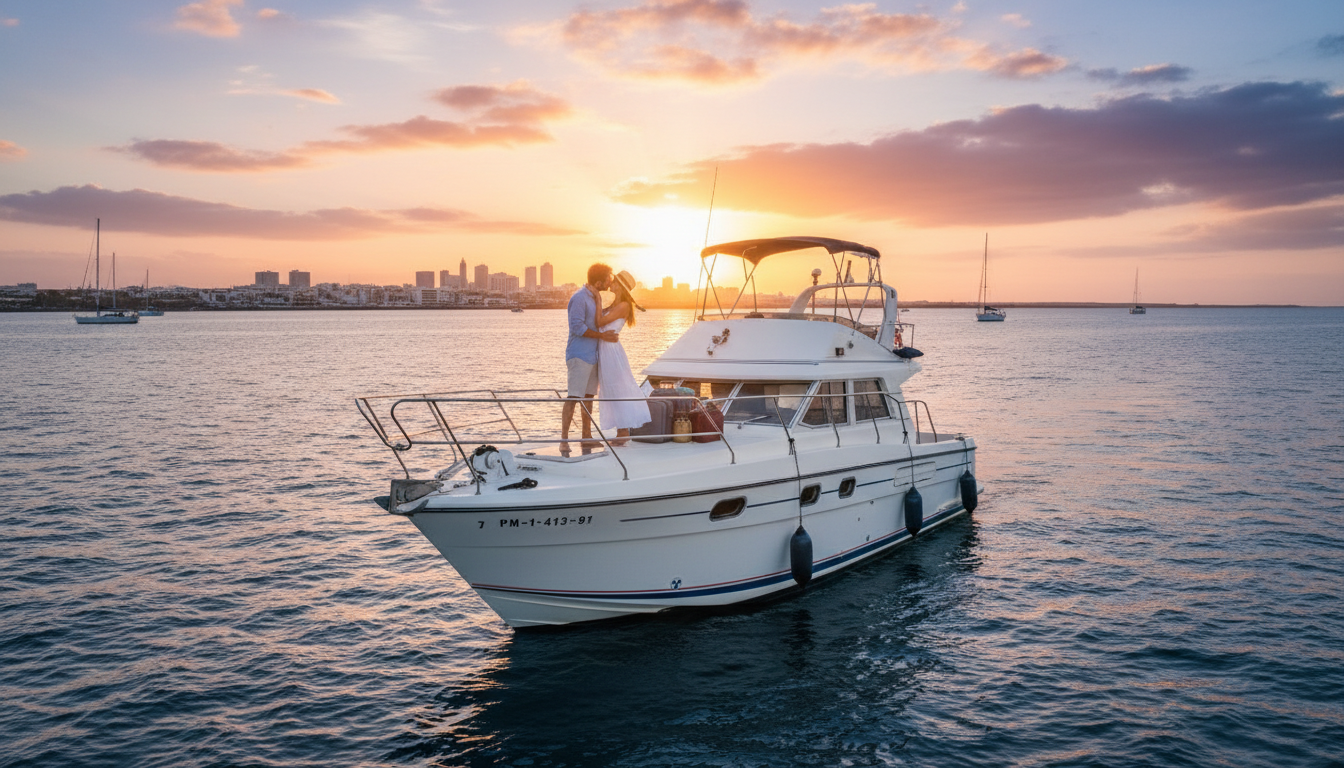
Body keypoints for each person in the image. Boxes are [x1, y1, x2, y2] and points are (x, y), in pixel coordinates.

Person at [562, 263, 618, 451]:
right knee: (573, 397)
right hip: (578, 355)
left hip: (593, 356)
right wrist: (603, 336)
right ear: (599, 281)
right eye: (609, 278)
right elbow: (577, 327)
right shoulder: (579, 298)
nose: (611, 281)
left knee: (588, 398)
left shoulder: (595, 297)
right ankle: (564, 441)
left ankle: (586, 436)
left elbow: (598, 320)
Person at [596, 271, 651, 445]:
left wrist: (596, 300)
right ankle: (621, 430)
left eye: (613, 282)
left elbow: (599, 323)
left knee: (617, 388)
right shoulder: (615, 304)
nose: (610, 284)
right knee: (610, 389)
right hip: (606, 349)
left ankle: (623, 431)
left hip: (611, 351)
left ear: (619, 285)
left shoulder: (624, 306)